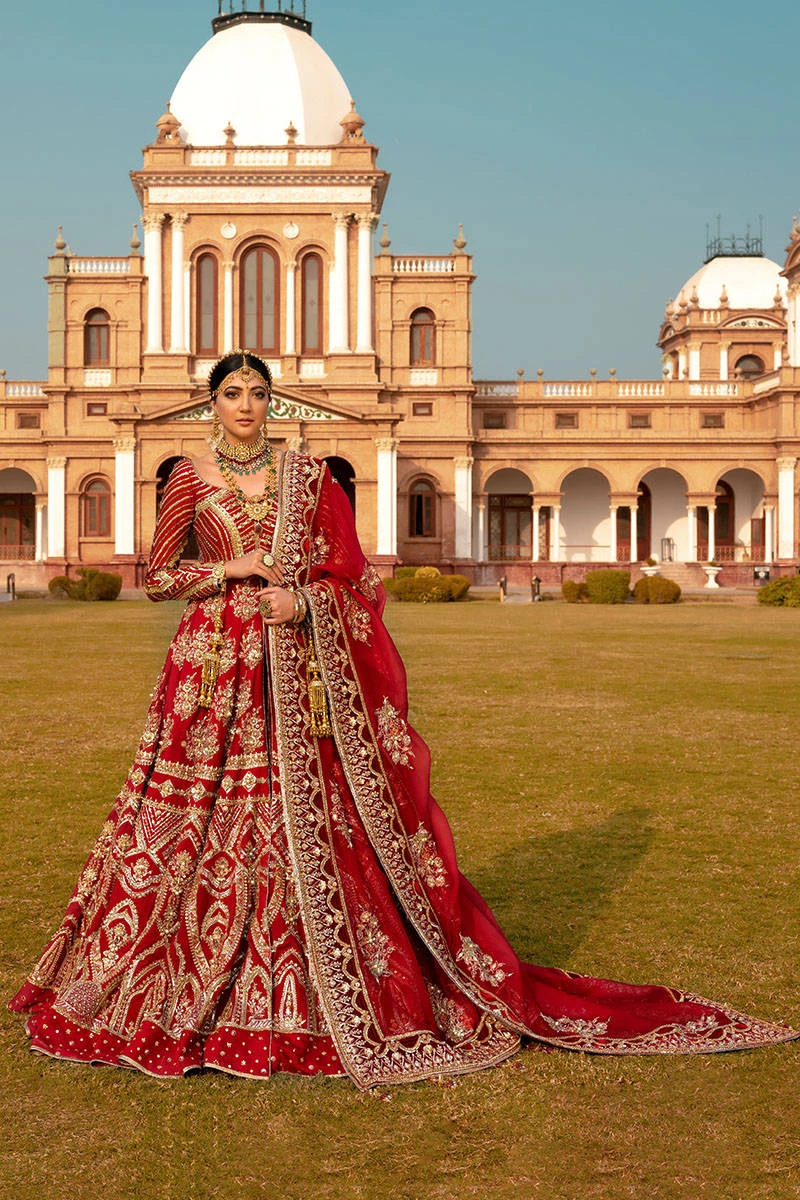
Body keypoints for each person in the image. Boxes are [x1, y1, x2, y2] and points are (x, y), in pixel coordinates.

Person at [10, 351, 797, 1089]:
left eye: (257, 394)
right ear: (211, 403)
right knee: (192, 815)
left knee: (302, 815)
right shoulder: (189, 475)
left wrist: (304, 600)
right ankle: (179, 970)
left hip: (296, 666)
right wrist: (233, 568)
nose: (246, 407)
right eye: (231, 394)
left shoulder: (308, 477)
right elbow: (157, 575)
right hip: (211, 673)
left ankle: (306, 981)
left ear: (270, 402)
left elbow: (350, 580)